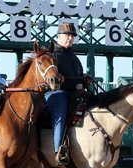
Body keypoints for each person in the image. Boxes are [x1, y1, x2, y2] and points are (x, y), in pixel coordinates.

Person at [44, 22, 84, 166]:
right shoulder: (52, 55)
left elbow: (79, 75)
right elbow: (48, 78)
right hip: (56, 93)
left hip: (75, 93)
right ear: (59, 37)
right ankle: (58, 150)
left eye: (72, 36)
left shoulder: (74, 57)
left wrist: (84, 80)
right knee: (61, 109)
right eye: (67, 36)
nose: (70, 39)